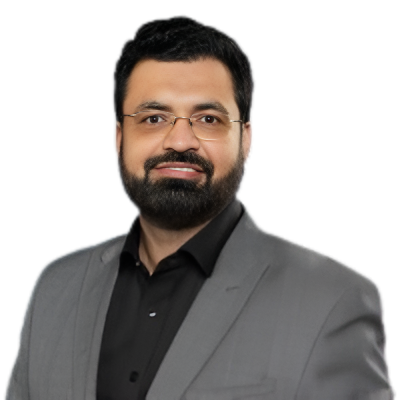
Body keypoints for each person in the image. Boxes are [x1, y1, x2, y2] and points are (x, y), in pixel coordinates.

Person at [4, 15, 395, 400]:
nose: (180, 141)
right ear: (119, 138)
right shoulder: (56, 288)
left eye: (208, 119)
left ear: (246, 140)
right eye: (153, 118)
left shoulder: (332, 298)